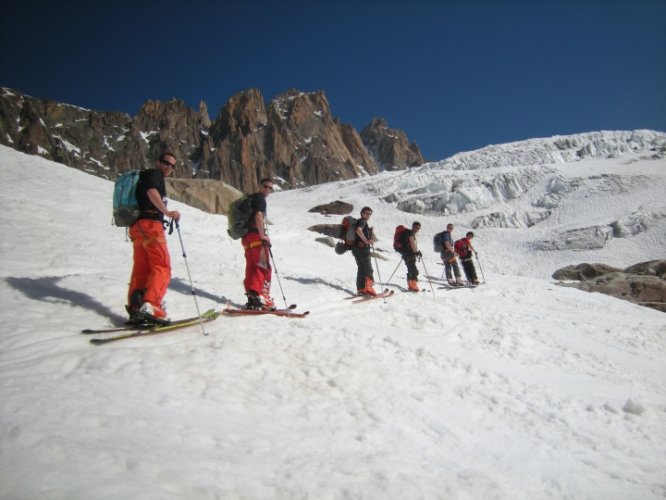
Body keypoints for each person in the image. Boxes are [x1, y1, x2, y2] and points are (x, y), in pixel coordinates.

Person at [126, 152, 181, 322]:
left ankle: (137, 307)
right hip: (151, 226)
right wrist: (166, 212)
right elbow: (151, 191)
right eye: (166, 163)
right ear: (157, 162)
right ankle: (152, 304)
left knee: (142, 269)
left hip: (137, 227)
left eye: (172, 166)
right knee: (162, 266)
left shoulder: (144, 176)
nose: (168, 168)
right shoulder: (154, 175)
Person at [241, 178, 275, 310]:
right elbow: (258, 216)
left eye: (270, 188)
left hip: (246, 238)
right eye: (265, 186)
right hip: (256, 237)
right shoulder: (260, 199)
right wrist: (263, 235)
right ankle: (259, 297)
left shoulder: (250, 198)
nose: (267, 190)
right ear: (259, 186)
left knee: (251, 267)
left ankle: (251, 297)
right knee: (263, 267)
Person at [352, 206, 378, 296]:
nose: (368, 215)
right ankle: (369, 288)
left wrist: (369, 232)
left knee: (361, 269)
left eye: (370, 213)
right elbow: (359, 231)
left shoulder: (358, 221)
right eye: (366, 213)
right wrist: (366, 241)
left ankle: (361, 289)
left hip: (355, 249)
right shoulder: (362, 221)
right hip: (363, 250)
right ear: (362, 213)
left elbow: (359, 231)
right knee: (368, 269)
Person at [398, 221, 422, 291]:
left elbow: (412, 245)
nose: (416, 229)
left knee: (412, 269)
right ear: (412, 226)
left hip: (408, 254)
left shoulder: (411, 234)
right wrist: (415, 252)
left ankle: (411, 284)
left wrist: (416, 252)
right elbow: (410, 244)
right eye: (415, 227)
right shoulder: (409, 234)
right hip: (408, 254)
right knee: (413, 270)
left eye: (418, 228)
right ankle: (412, 285)